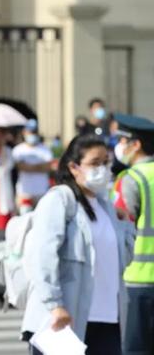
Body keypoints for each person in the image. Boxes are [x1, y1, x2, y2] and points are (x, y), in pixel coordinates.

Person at [21, 134, 135, 355]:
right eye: (94, 163)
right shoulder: (60, 200)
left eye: (106, 162)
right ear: (74, 167)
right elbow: (43, 256)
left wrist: (126, 224)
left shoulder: (106, 207)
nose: (102, 169)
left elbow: (125, 259)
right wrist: (55, 305)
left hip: (108, 319)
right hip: (66, 320)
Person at [109, 113, 154, 355]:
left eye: (122, 141)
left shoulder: (130, 179)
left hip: (139, 279)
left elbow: (120, 224)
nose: (119, 147)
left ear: (136, 145)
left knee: (136, 349)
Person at [12, 119, 53, 214]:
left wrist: (29, 167)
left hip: (42, 192)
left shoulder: (45, 149)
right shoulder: (18, 150)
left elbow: (48, 167)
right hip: (25, 193)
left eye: (34, 131)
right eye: (30, 131)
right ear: (24, 132)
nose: (32, 134)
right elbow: (21, 167)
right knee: (25, 221)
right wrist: (39, 167)